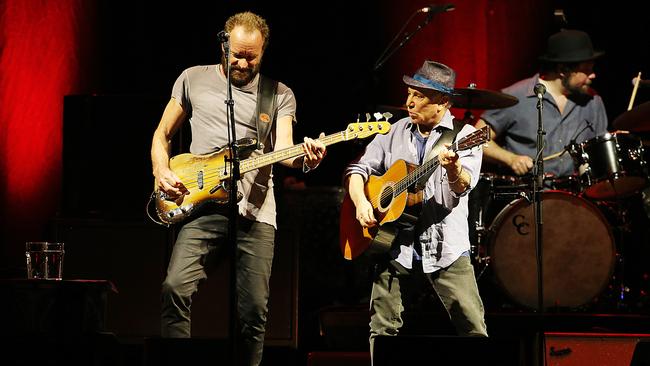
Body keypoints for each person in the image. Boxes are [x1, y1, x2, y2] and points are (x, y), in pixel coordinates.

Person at [150, 11, 326, 366]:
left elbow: (285, 151)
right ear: (223, 45)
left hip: (256, 212)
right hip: (202, 205)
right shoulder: (192, 79)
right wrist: (160, 170)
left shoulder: (278, 94)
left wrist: (307, 160)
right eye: (237, 53)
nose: (243, 62)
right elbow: (161, 134)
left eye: (252, 56)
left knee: (254, 312)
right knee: (174, 288)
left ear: (263, 52)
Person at [343, 60, 488, 362]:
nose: (409, 101)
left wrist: (454, 168)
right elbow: (358, 169)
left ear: (444, 102)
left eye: (420, 96)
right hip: (395, 246)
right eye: (410, 93)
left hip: (446, 246)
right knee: (381, 329)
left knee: (473, 329)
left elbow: (463, 187)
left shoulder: (465, 137)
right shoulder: (395, 130)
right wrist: (361, 203)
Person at [475, 29, 608, 179]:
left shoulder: (593, 101)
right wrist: (510, 159)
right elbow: (476, 140)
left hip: (576, 197)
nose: (593, 75)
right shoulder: (516, 97)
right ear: (563, 70)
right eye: (586, 70)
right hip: (527, 196)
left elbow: (601, 152)